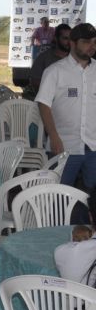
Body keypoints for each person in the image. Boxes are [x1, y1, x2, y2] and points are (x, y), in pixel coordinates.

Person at [37, 23, 96, 217]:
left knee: (93, 199)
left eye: (94, 42)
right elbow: (43, 105)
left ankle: (88, 233)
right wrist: (54, 136)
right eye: (86, 42)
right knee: (56, 197)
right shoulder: (55, 71)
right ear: (72, 43)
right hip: (63, 145)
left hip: (93, 146)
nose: (92, 46)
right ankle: (55, 231)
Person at [30, 23, 71, 90]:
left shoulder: (77, 58)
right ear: (56, 38)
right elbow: (35, 81)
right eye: (65, 38)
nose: (69, 42)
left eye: (71, 39)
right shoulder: (43, 58)